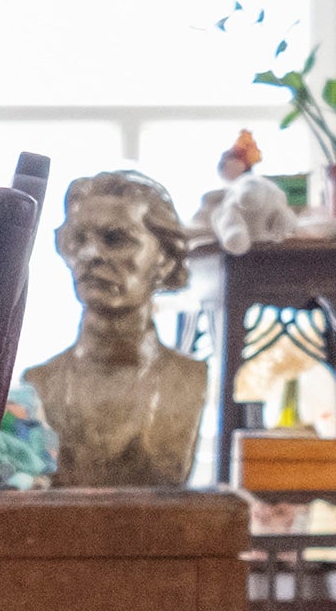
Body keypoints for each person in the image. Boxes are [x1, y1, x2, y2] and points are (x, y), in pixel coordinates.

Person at [22, 172, 204, 487]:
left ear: (164, 260)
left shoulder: (194, 381)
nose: (90, 255)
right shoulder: (37, 385)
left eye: (115, 238)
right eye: (78, 239)